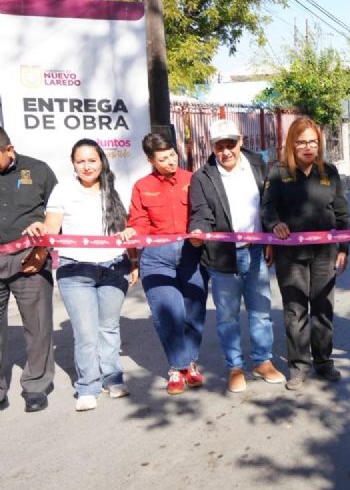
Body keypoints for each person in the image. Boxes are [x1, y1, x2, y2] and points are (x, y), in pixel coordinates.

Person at [23, 139, 138, 411]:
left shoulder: (113, 189)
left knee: (108, 328)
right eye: (80, 161)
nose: (86, 166)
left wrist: (133, 260)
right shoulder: (63, 191)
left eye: (92, 160)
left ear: (101, 162)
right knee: (86, 333)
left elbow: (125, 229)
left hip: (113, 267)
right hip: (75, 270)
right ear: (73, 164)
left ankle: (113, 377)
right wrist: (41, 229)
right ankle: (88, 386)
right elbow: (52, 227)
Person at [188, 119, 285, 393]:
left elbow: (269, 205)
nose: (226, 151)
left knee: (261, 312)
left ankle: (262, 362)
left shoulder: (258, 166)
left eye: (230, 144)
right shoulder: (203, 177)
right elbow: (201, 214)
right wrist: (198, 231)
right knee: (227, 317)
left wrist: (270, 237)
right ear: (212, 147)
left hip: (256, 252)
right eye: (220, 146)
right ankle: (235, 366)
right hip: (222, 257)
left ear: (241, 141)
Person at [261, 117, 350, 391]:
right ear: (292, 144)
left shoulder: (330, 172)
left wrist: (344, 248)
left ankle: (324, 362)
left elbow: (342, 213)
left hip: (325, 253)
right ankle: (298, 366)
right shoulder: (278, 171)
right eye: (301, 142)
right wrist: (275, 224)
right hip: (291, 256)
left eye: (313, 141)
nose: (308, 147)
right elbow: (267, 208)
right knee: (295, 311)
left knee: (323, 308)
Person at [122, 133, 208, 395]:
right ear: (151, 160)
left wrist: (200, 232)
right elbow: (138, 221)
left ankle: (190, 363)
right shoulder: (142, 185)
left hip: (191, 254)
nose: (171, 161)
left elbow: (203, 212)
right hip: (156, 256)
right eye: (163, 158)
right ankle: (178, 366)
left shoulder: (193, 179)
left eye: (172, 154)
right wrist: (131, 237)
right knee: (168, 314)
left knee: (194, 312)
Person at [0, 125, 57, 413]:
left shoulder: (39, 171)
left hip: (30, 258)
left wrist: (42, 248)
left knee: (37, 324)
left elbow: (57, 213)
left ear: (9, 150)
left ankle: (36, 384)